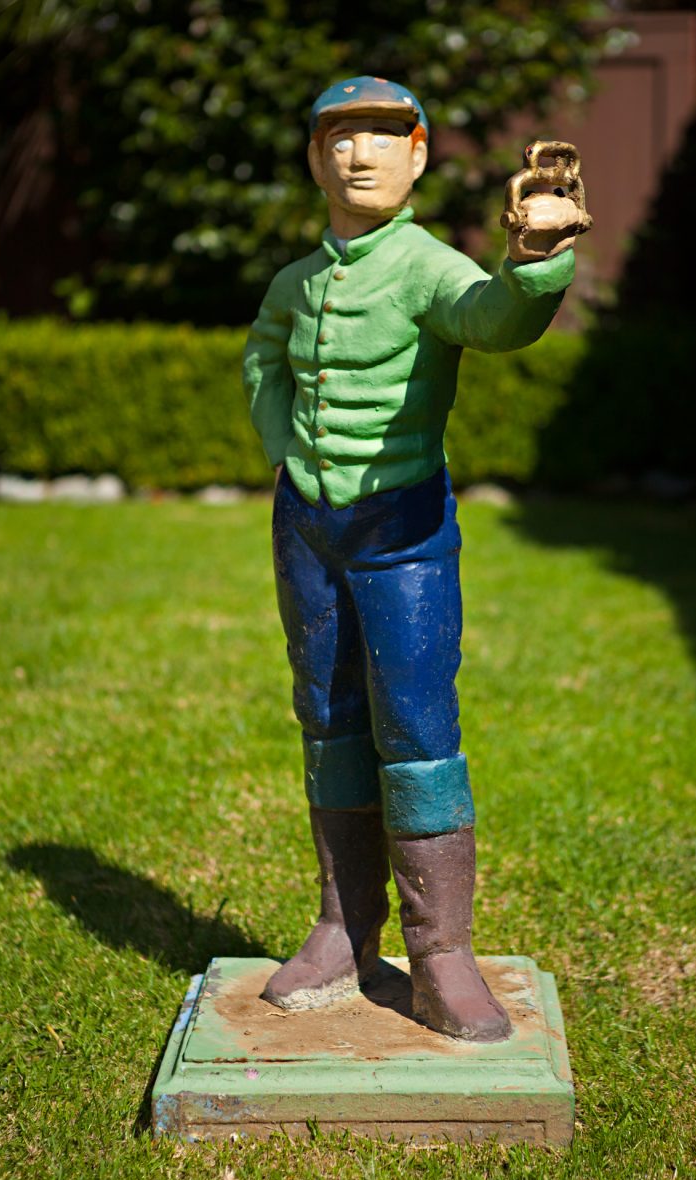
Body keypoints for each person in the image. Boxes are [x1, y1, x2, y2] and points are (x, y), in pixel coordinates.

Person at [243, 75, 582, 1041]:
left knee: (420, 727)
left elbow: (498, 319)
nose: (361, 154)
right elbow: (266, 351)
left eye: (385, 137)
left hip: (404, 536)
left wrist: (537, 261)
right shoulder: (296, 281)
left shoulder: (430, 267)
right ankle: (342, 928)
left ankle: (442, 954)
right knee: (328, 715)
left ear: (419, 155)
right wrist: (281, 441)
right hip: (306, 528)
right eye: (340, 138)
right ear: (316, 160)